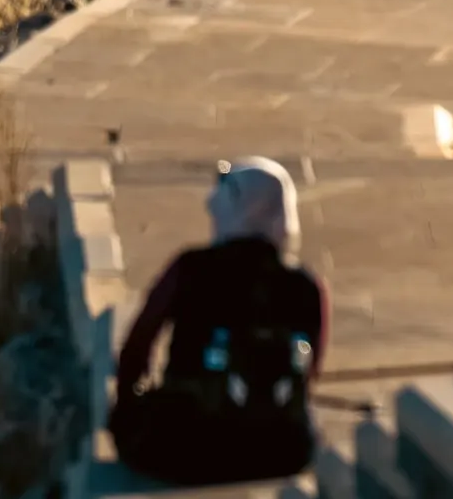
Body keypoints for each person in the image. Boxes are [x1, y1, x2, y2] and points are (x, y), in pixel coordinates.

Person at [108, 160, 327, 487]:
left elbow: (136, 351)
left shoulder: (190, 269)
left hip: (191, 448)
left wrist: (130, 402)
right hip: (284, 451)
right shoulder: (307, 286)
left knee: (126, 421)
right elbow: (310, 375)